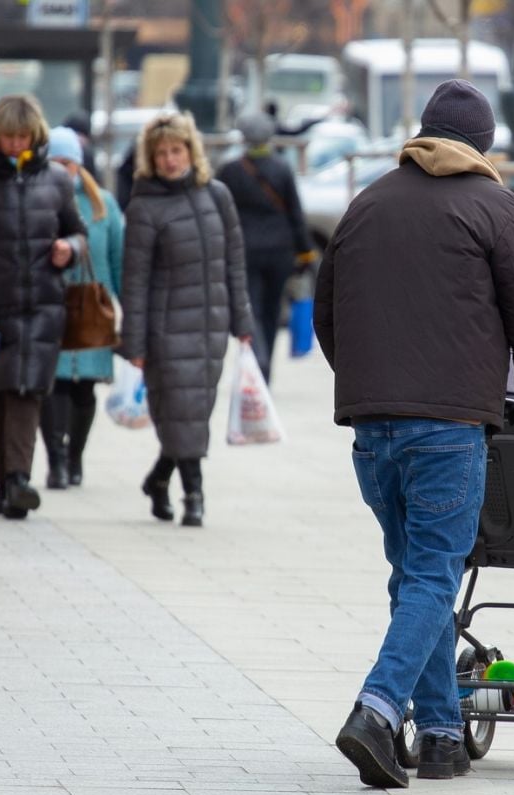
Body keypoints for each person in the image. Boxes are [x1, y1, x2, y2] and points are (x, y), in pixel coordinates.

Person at [314, 79, 514, 787]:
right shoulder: (496, 206)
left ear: (423, 133)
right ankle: (378, 709)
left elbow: (327, 310)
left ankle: (445, 734)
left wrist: (368, 387)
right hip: (449, 427)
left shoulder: (367, 203)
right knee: (431, 574)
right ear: (483, 146)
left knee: (413, 576)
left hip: (373, 427)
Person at [0, 94, 87, 519]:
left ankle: (18, 480)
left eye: (23, 137)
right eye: (9, 137)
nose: (16, 144)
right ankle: (4, 482)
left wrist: (69, 249)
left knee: (27, 392)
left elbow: (78, 234)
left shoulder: (57, 182)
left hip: (43, 307)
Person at [121, 112, 253, 528]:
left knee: (192, 413)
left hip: (210, 329)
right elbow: (135, 280)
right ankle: (194, 495)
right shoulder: (144, 207)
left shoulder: (217, 196)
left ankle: (159, 478)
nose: (170, 159)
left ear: (190, 151)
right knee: (181, 411)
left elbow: (234, 262)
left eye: (176, 150)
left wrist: (243, 320)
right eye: (161, 153)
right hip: (166, 331)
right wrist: (134, 344)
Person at [38, 126, 125, 490]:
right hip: (51, 305)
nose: (64, 169)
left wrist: (128, 310)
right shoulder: (37, 197)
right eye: (56, 161)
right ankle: (56, 461)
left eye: (69, 162)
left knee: (84, 390)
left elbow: (118, 259)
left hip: (91, 309)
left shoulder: (103, 203)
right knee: (52, 386)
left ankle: (75, 458)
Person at [216, 111, 316, 383]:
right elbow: (296, 214)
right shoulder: (282, 168)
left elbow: (219, 214)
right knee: (272, 310)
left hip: (243, 251)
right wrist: (305, 253)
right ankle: (265, 368)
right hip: (280, 252)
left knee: (252, 308)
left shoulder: (230, 171)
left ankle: (256, 357)